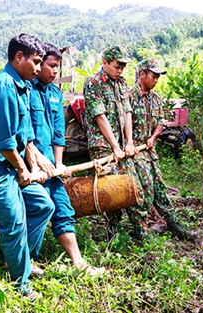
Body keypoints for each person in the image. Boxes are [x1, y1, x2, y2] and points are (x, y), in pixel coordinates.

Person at [0, 33, 55, 300]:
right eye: (37, 62)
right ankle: (20, 285)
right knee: (15, 223)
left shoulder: (24, 84)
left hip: (10, 166)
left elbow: (25, 134)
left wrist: (36, 158)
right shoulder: (3, 87)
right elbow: (5, 143)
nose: (40, 68)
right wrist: (23, 171)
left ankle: (22, 262)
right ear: (19, 57)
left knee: (44, 206)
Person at [30, 42, 105, 274]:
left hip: (51, 168)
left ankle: (79, 263)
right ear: (38, 64)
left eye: (57, 67)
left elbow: (58, 133)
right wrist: (35, 163)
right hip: (31, 166)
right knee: (37, 209)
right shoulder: (25, 89)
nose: (54, 72)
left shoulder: (54, 93)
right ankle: (26, 261)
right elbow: (22, 133)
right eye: (51, 66)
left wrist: (59, 163)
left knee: (62, 208)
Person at [129, 58, 196, 240]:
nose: (156, 80)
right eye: (153, 76)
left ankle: (174, 225)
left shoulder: (157, 98)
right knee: (145, 188)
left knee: (159, 187)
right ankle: (141, 231)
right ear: (142, 74)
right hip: (135, 153)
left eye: (158, 77)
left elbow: (160, 121)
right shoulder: (128, 97)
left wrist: (153, 137)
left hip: (150, 151)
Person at [83, 45, 143, 235]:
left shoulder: (122, 83)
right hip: (103, 145)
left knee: (133, 183)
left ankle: (140, 230)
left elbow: (127, 112)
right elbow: (100, 117)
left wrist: (129, 142)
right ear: (105, 63)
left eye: (123, 67)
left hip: (121, 145)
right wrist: (115, 146)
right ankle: (112, 232)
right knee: (112, 189)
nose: (120, 70)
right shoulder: (93, 83)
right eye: (117, 66)